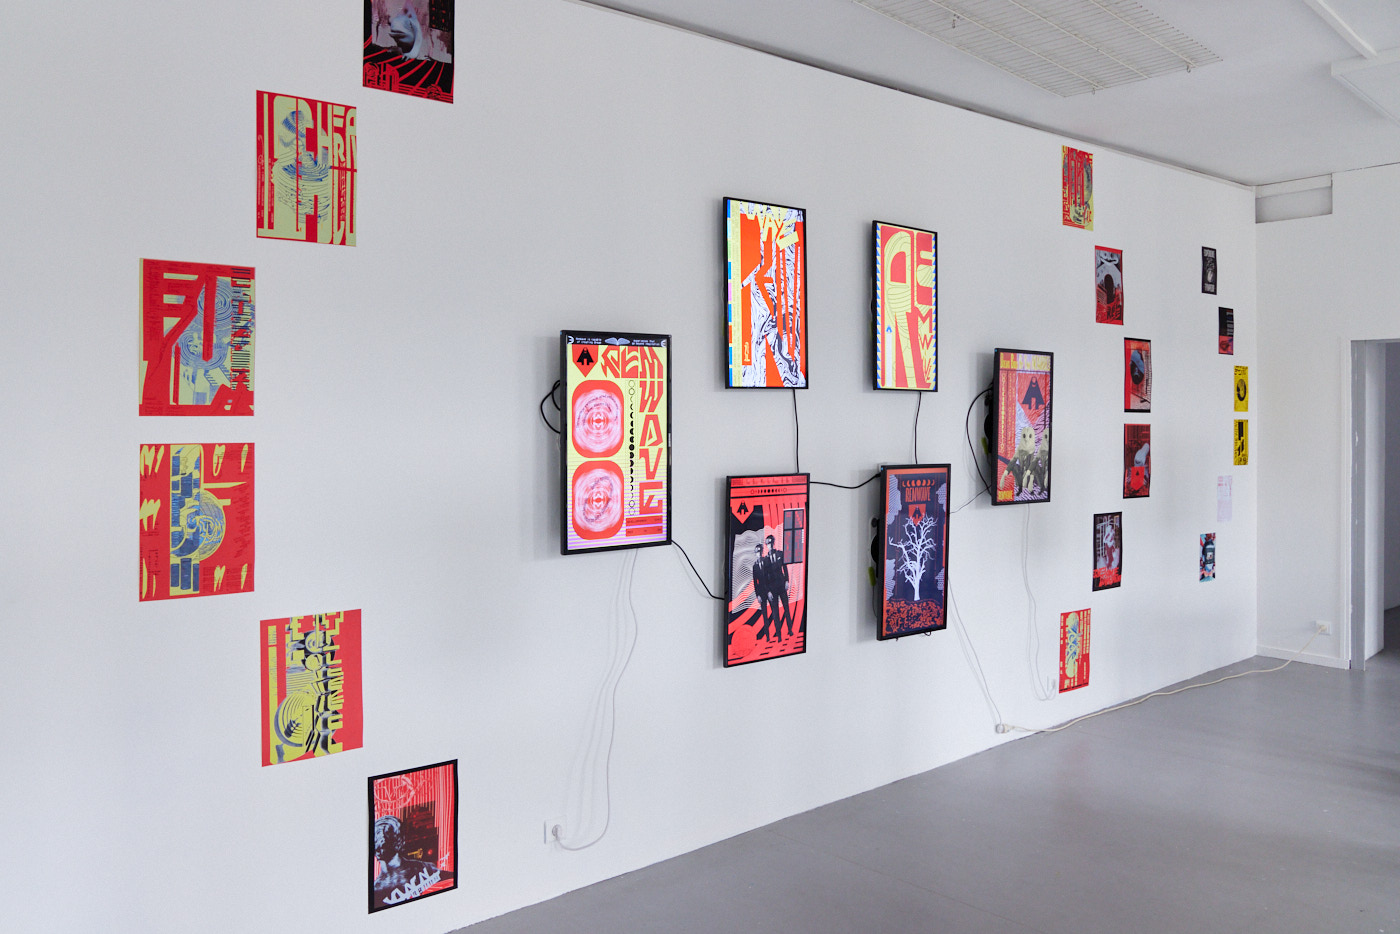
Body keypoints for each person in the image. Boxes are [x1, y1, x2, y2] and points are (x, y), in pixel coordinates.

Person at [372, 816, 448, 908]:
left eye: (384, 844)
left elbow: (450, 880)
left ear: (397, 841)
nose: (379, 848)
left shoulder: (424, 867)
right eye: (376, 843)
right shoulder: (376, 890)